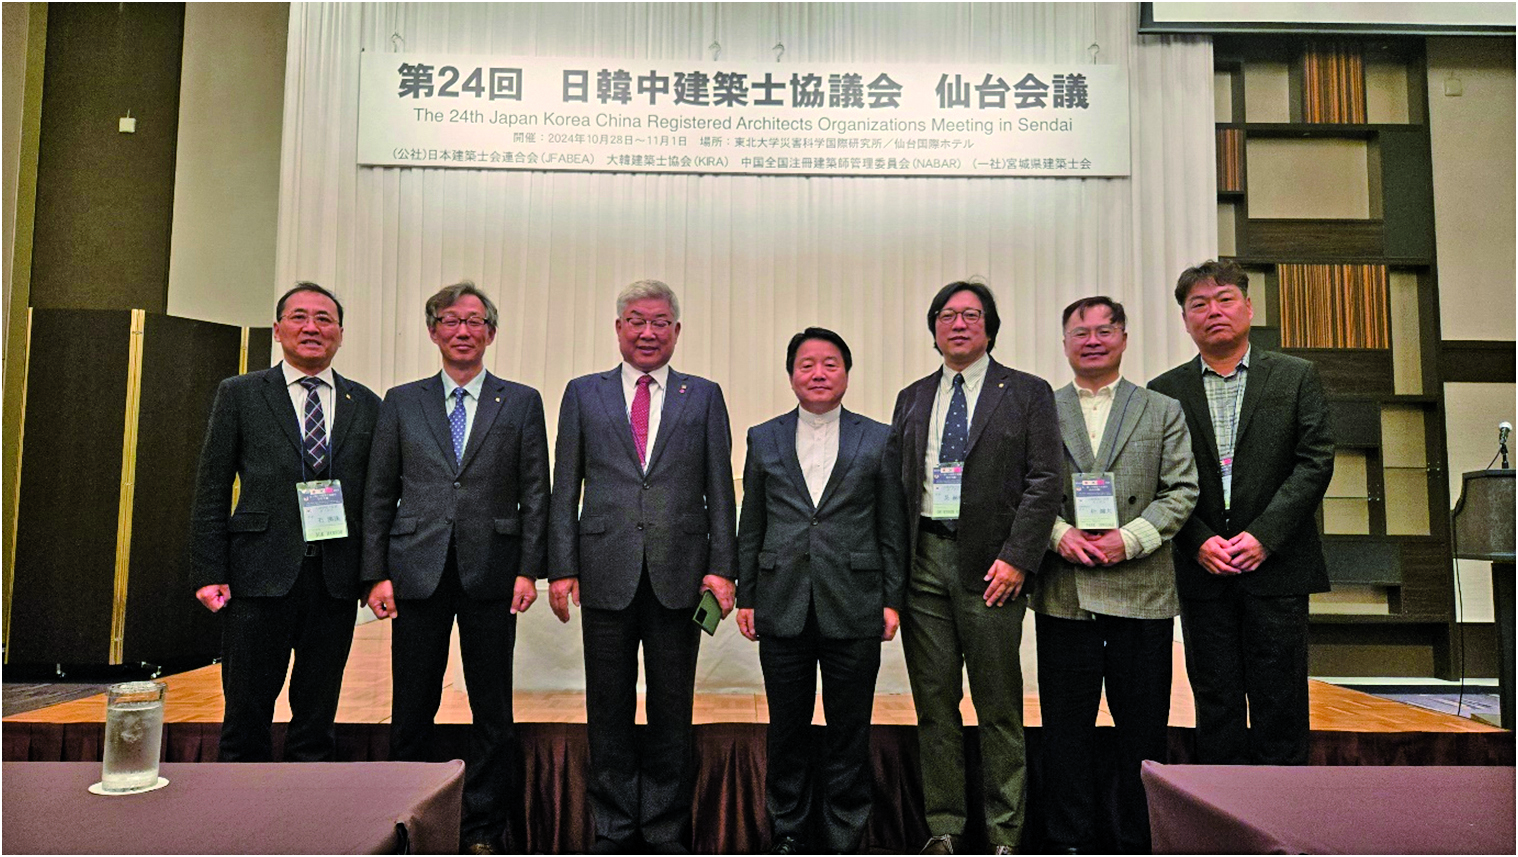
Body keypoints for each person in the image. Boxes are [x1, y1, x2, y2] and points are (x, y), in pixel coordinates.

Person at [547, 279, 738, 854]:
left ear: (676, 331)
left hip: (681, 572)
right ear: (618, 328)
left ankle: (663, 830)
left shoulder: (703, 396)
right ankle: (612, 828)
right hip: (604, 569)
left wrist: (723, 567)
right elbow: (564, 487)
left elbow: (720, 490)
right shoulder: (583, 393)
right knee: (606, 706)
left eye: (659, 322)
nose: (647, 332)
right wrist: (561, 567)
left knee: (671, 708)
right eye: (637, 320)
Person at [362, 282, 549, 855]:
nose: (462, 330)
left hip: (494, 570)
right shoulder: (402, 400)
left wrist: (529, 569)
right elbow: (379, 491)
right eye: (450, 320)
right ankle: (407, 823)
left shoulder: (521, 401)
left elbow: (535, 493)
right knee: (412, 705)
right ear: (433, 331)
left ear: (491, 332)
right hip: (416, 569)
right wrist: (375, 572)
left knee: (492, 707)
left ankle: (484, 829)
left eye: (474, 321)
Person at [888, 280, 1063, 855]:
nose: (958, 324)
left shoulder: (1028, 392)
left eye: (970, 314)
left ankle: (1004, 832)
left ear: (990, 327)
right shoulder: (912, 397)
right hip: (923, 563)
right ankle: (945, 827)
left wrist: (1018, 559)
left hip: (993, 568)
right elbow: (897, 485)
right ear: (933, 329)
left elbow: (1045, 482)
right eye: (946, 315)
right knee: (934, 705)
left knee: (998, 706)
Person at [1148, 260, 1334, 766]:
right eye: (1199, 304)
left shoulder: (1295, 376)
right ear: (1185, 320)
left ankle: (1282, 810)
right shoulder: (1163, 391)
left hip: (1277, 566)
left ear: (1248, 308)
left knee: (1281, 701)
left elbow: (1315, 462)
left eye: (1225, 299)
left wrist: (1264, 536)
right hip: (1203, 568)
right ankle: (1221, 810)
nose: (1213, 311)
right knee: (1216, 702)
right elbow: (1157, 480)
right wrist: (1196, 540)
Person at [1033, 296, 1198, 853]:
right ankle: (1068, 841)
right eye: (1081, 332)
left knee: (1142, 731)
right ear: (1065, 343)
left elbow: (1182, 490)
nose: (1093, 340)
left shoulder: (1161, 409)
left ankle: (1138, 840)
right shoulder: (1041, 408)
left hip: (1142, 589)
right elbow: (1020, 486)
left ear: (1124, 339)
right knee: (1065, 731)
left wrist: (1127, 540)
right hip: (1064, 590)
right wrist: (1060, 534)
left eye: (1105, 330)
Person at [190, 282, 380, 763]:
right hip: (258, 575)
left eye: (324, 319)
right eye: (299, 317)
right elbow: (212, 487)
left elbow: (377, 499)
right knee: (246, 712)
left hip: (335, 579)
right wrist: (209, 570)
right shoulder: (240, 394)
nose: (312, 327)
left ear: (340, 334)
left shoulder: (365, 403)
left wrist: (373, 573)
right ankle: (238, 804)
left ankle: (307, 803)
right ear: (277, 330)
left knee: (317, 715)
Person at [735, 328, 908, 855]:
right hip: (780, 599)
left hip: (855, 600)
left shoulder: (878, 437)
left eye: (830, 364)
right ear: (791, 375)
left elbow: (891, 524)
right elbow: (752, 522)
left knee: (849, 727)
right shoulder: (763, 437)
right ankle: (787, 831)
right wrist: (747, 596)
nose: (818, 373)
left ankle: (844, 835)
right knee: (786, 727)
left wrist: (892, 598)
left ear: (847, 374)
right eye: (806, 364)